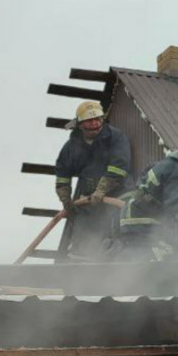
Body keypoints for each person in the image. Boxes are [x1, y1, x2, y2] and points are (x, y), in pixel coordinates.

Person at [54, 101, 132, 260]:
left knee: (116, 237)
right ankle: (80, 265)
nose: (95, 123)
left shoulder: (115, 137)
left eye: (97, 119)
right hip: (88, 200)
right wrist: (66, 200)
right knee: (82, 241)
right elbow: (62, 174)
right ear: (80, 124)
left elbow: (119, 167)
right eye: (90, 120)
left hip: (119, 195)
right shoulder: (71, 146)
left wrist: (101, 190)